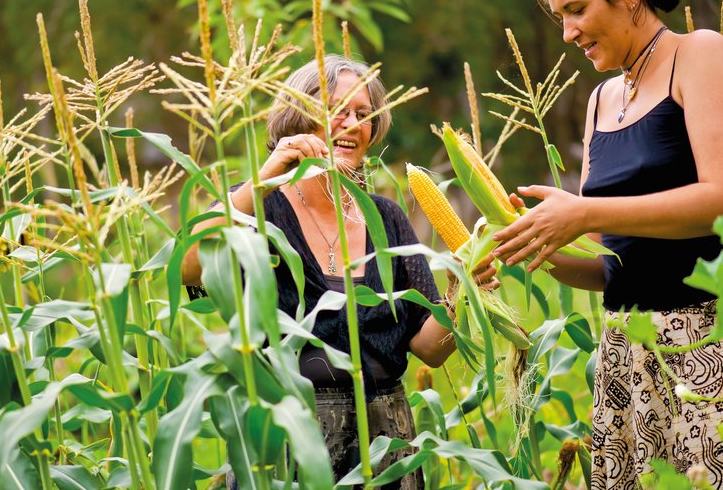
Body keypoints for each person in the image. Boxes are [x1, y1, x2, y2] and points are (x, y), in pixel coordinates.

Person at [490, 0, 723, 489]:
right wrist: (530, 243)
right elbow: (613, 266)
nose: (568, 33)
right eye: (559, 18)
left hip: (712, 344)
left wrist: (583, 211)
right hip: (629, 355)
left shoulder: (699, 56)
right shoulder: (602, 100)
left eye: (576, 10)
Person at [181, 55, 496, 489]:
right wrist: (267, 177)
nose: (352, 123)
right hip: (290, 439)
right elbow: (187, 267)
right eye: (337, 110)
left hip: (387, 445)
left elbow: (431, 348)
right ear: (298, 117)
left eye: (363, 114)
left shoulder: (387, 219)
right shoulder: (258, 207)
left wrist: (465, 289)